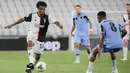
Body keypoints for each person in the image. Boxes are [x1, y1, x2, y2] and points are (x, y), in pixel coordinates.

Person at [5, 1, 63, 73]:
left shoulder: (48, 17)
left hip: (40, 39)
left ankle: (29, 68)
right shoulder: (32, 16)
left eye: (44, 9)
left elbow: (55, 21)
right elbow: (21, 19)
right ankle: (31, 63)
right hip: (31, 34)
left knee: (38, 55)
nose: (42, 11)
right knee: (30, 42)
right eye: (41, 9)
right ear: (37, 8)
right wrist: (11, 25)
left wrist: (59, 25)